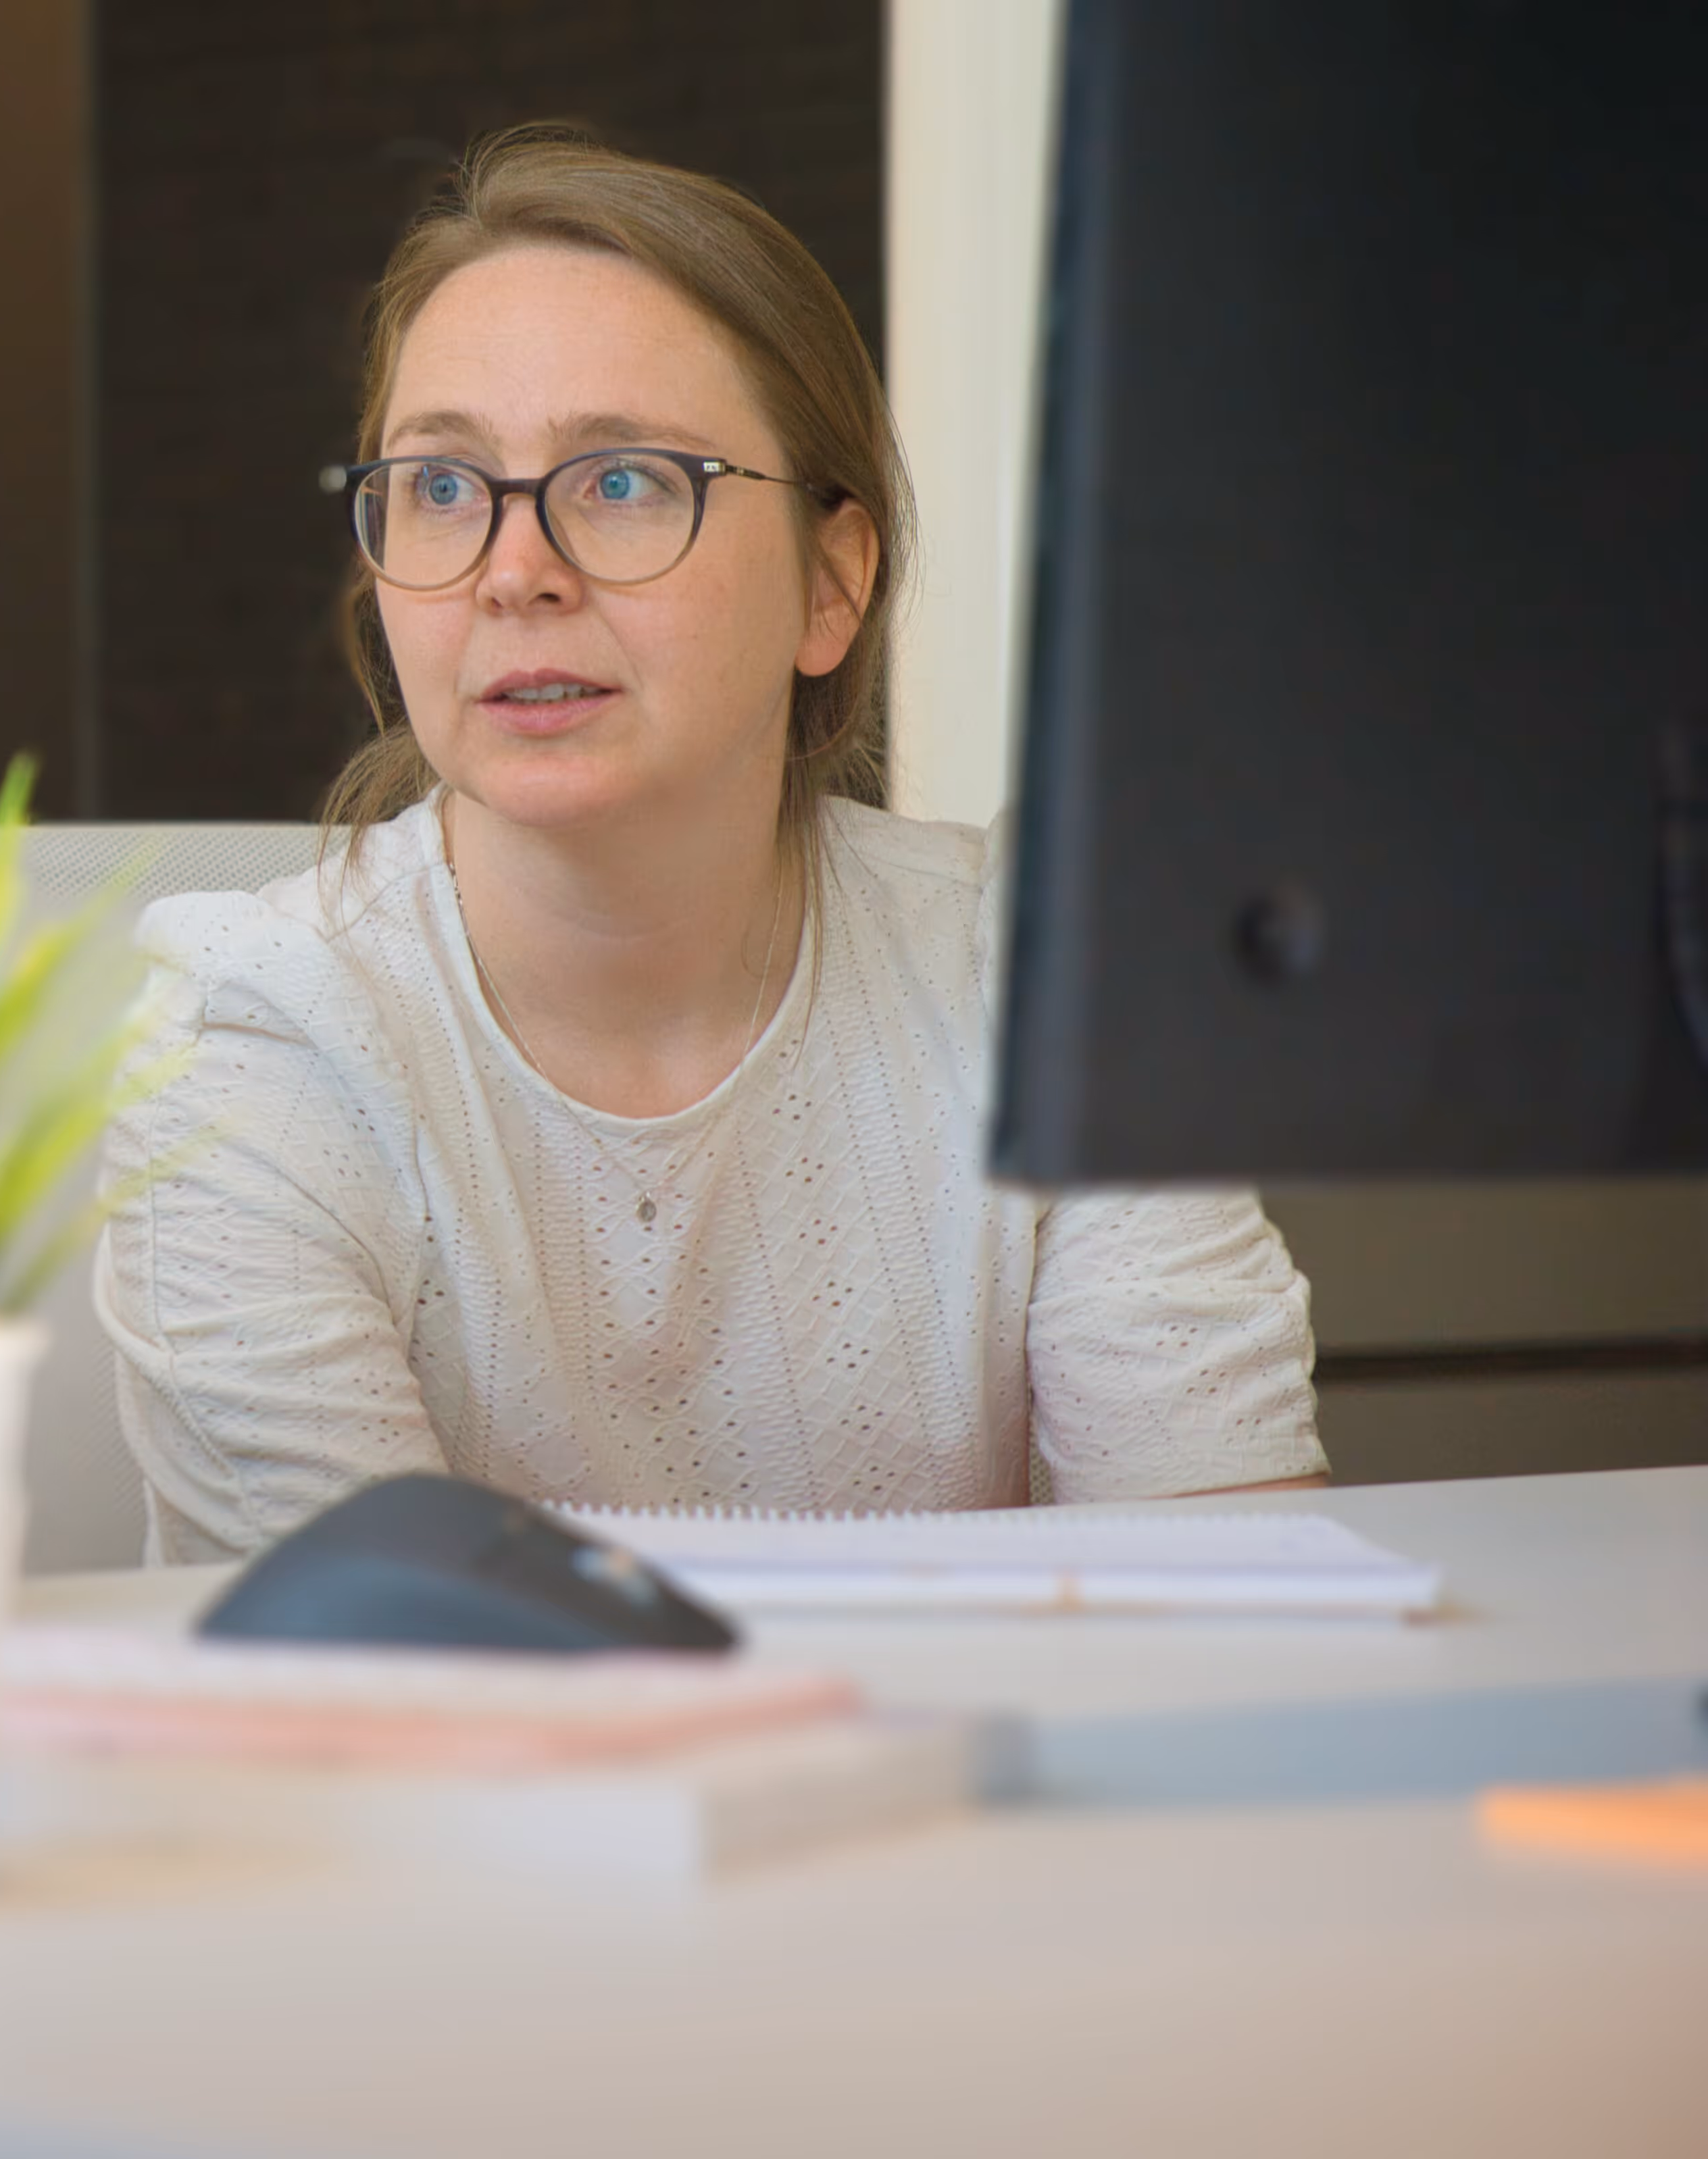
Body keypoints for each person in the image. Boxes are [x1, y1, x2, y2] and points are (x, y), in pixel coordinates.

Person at [96, 129, 1326, 1564]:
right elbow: (387, 1697)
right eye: (441, 487)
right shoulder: (255, 1039)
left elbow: (1246, 1596)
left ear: (832, 581)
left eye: (621, 482)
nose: (511, 572)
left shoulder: (1050, 983)